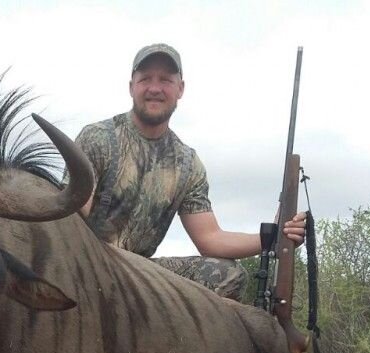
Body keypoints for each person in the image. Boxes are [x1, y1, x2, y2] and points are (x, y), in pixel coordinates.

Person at [65, 43, 306, 301]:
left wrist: (273, 236)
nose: (155, 88)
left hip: (140, 273)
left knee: (228, 274)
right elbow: (71, 216)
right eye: (145, 79)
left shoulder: (187, 163)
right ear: (131, 87)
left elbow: (210, 238)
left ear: (180, 89)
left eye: (166, 80)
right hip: (87, 262)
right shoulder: (98, 138)